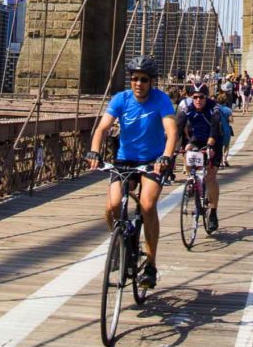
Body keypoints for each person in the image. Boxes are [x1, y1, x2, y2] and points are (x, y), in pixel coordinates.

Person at [89, 55, 177, 289]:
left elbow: (171, 130)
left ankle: (150, 263)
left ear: (152, 82)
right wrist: (94, 152)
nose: (139, 83)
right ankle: (120, 244)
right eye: (135, 79)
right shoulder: (121, 99)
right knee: (112, 206)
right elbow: (102, 128)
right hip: (124, 160)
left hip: (151, 161)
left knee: (147, 205)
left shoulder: (161, 100)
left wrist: (165, 156)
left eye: (144, 80)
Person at [176, 83, 223, 231]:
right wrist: (170, 150)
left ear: (206, 97)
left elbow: (215, 128)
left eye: (201, 97)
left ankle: (213, 212)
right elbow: (178, 127)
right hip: (197, 138)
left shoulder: (213, 107)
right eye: (194, 97)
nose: (198, 100)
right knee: (188, 149)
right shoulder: (187, 107)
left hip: (213, 140)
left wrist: (210, 146)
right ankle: (192, 178)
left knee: (210, 176)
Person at [216, 91, 234, 166]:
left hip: (217, 129)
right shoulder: (228, 110)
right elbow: (231, 120)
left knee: (218, 145)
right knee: (226, 145)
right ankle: (225, 159)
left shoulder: (215, 108)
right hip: (226, 129)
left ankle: (219, 161)